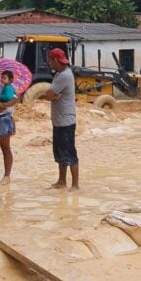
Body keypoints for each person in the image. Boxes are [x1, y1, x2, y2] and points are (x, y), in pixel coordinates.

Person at [40, 48, 79, 191]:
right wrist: (51, 94)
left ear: (55, 60)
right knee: (60, 152)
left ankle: (75, 184)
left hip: (65, 121)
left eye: (50, 60)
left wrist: (49, 95)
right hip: (59, 120)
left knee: (69, 152)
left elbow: (49, 94)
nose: (49, 63)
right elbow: (52, 94)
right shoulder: (59, 74)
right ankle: (62, 181)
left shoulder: (64, 76)